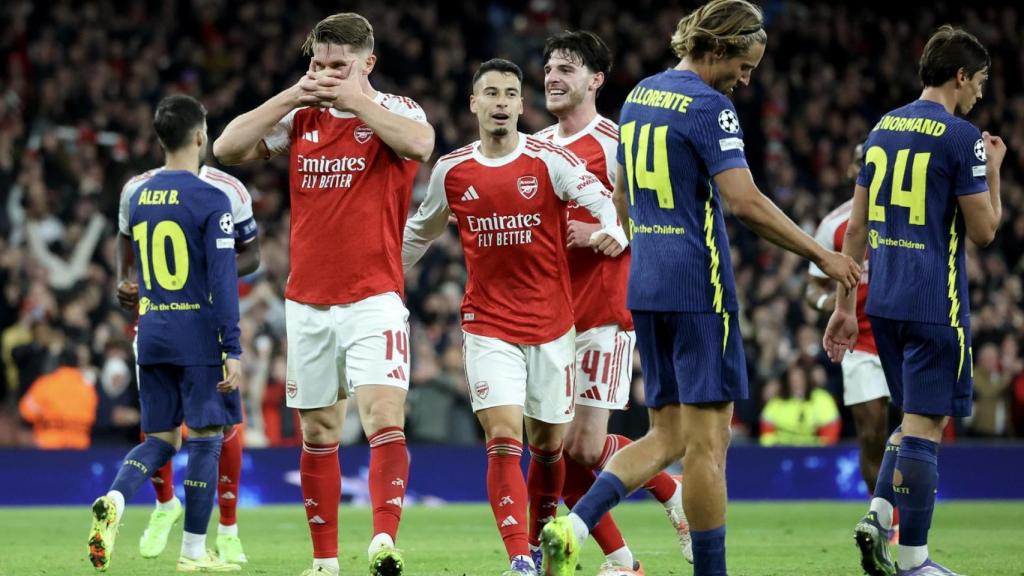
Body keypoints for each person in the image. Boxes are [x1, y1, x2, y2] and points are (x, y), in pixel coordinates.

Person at [541, 2, 860, 575]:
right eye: (744, 64)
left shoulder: (639, 96)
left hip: (647, 285)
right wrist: (823, 254)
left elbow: (620, 191)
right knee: (709, 445)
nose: (747, 78)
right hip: (700, 289)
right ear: (717, 49)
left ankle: (575, 524)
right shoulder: (711, 108)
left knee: (666, 436)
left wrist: (648, 245)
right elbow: (743, 202)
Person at [212, 12, 434, 576]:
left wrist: (355, 101)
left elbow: (421, 144)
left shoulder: (395, 112)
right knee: (317, 430)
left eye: (339, 66)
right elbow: (226, 147)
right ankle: (325, 562)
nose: (327, 75)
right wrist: (292, 94)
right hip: (307, 301)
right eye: (318, 65)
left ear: (368, 64)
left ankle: (383, 541)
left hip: (373, 297)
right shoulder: (302, 118)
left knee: (384, 416)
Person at [402, 58, 628, 576]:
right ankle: (519, 558)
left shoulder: (548, 160)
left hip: (552, 326)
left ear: (520, 105)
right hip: (488, 325)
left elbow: (597, 195)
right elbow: (420, 231)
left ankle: (539, 542)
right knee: (504, 438)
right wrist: (381, 281)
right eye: (491, 93)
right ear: (474, 104)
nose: (501, 102)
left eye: (510, 94)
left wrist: (613, 227)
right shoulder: (452, 170)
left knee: (549, 447)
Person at [824, 24, 1005, 576]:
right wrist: (993, 172)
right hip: (935, 303)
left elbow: (854, 231)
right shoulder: (961, 137)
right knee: (926, 429)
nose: (979, 93)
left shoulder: (881, 130)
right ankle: (914, 561)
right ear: (959, 76)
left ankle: (878, 515)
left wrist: (841, 307)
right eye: (978, 82)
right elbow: (985, 232)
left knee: (908, 423)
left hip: (883, 302)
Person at [534, 30, 690, 573]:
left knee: (581, 447)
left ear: (596, 80)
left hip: (603, 309)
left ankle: (668, 486)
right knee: (557, 449)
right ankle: (623, 561)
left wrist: (616, 233)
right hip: (547, 316)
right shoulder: (536, 148)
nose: (553, 77)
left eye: (567, 68)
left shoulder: (616, 142)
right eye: (550, 67)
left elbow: (656, 213)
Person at [87, 94, 243, 573]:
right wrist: (232, 347)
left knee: (159, 439)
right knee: (205, 438)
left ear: (159, 138)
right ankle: (194, 553)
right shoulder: (212, 199)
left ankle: (115, 495)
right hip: (196, 333)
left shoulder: (139, 196)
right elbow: (222, 281)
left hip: (151, 330)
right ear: (200, 136)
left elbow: (129, 255)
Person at [805, 143, 892, 489]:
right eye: (861, 163)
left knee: (915, 431)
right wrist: (828, 302)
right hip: (861, 343)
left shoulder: (904, 216)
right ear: (851, 171)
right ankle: (885, 521)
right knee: (872, 433)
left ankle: (909, 515)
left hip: (903, 334)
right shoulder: (833, 226)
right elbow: (810, 289)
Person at [18, 346, 97, 449]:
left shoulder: (45, 383)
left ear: (59, 363)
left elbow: (26, 412)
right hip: (79, 444)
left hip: (49, 442)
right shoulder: (88, 388)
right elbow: (93, 417)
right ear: (77, 364)